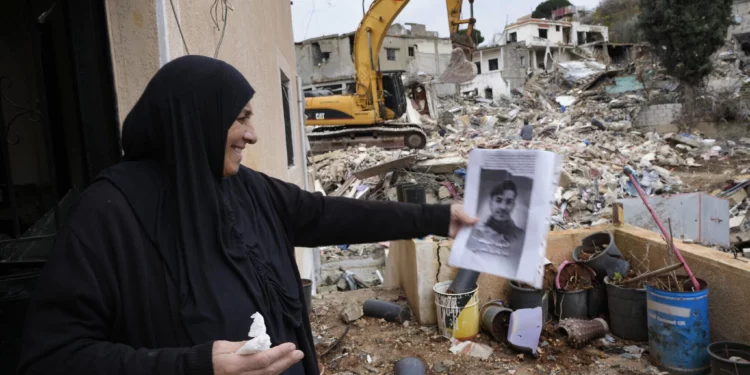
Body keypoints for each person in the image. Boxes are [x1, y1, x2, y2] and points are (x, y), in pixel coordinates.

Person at [17, 56, 478, 375]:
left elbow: (327, 215)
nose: (252, 135)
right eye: (239, 118)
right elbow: (53, 358)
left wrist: (436, 218)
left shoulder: (244, 188)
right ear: (194, 120)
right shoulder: (109, 214)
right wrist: (196, 366)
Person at [467, 180, 525, 257]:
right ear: (490, 202)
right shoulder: (475, 231)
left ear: (513, 205)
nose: (503, 207)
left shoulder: (521, 235)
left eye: (509, 202)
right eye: (498, 200)